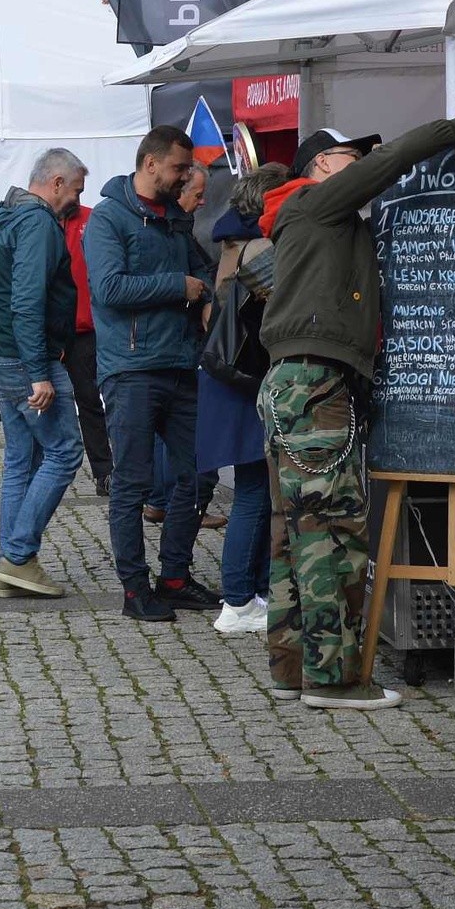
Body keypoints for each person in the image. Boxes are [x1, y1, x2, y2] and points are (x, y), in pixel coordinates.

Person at [259, 120, 455, 707]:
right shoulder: (315, 202)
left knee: (294, 531)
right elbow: (385, 167)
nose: (359, 163)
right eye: (347, 157)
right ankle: (334, 680)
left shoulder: (305, 216)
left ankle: (293, 671)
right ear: (320, 167)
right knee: (332, 532)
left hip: (293, 382)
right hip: (316, 384)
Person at [83, 126, 218, 622]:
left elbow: (203, 270)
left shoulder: (176, 219)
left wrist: (202, 291)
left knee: (199, 475)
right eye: (180, 168)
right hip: (131, 369)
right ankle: (135, 588)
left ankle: (176, 578)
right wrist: (178, 286)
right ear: (151, 164)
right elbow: (109, 289)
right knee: (133, 483)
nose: (186, 177)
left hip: (182, 364)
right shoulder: (108, 218)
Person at [0, 148, 88, 597]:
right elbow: (26, 300)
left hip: (0, 351)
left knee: (23, 457)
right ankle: (19, 556)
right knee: (64, 451)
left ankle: (14, 561)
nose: (77, 202)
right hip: (24, 357)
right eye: (76, 190)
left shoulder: (7, 215)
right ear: (56, 182)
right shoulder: (38, 223)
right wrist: (39, 372)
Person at [202, 163, 291, 634]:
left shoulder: (231, 240)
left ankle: (249, 593)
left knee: (254, 489)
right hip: (246, 378)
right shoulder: (261, 246)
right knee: (254, 492)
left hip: (231, 377)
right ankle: (237, 600)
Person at [144, 165, 225, 531]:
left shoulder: (183, 229)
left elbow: (203, 271)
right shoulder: (165, 229)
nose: (203, 200)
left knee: (169, 433)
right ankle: (173, 501)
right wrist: (186, 288)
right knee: (176, 433)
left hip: (176, 347)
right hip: (168, 349)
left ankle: (166, 503)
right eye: (197, 192)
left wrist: (203, 290)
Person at [62, 201, 113, 497]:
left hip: (88, 329)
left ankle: (104, 471)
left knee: (91, 401)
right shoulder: (40, 219)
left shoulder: (92, 218)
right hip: (52, 331)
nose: (77, 193)